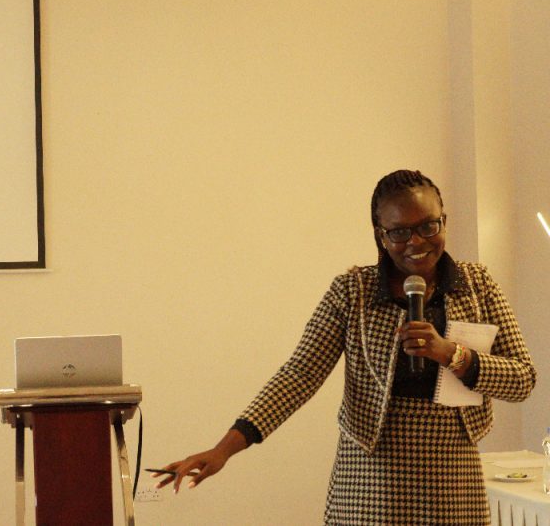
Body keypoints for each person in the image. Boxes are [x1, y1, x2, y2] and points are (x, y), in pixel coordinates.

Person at [156, 170, 537, 524]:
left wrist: (452, 354)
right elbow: (298, 376)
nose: (416, 242)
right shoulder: (352, 292)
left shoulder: (477, 285)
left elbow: (522, 379)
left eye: (427, 226)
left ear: (444, 221)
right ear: (380, 235)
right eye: (399, 232)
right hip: (369, 482)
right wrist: (224, 449)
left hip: (453, 482)